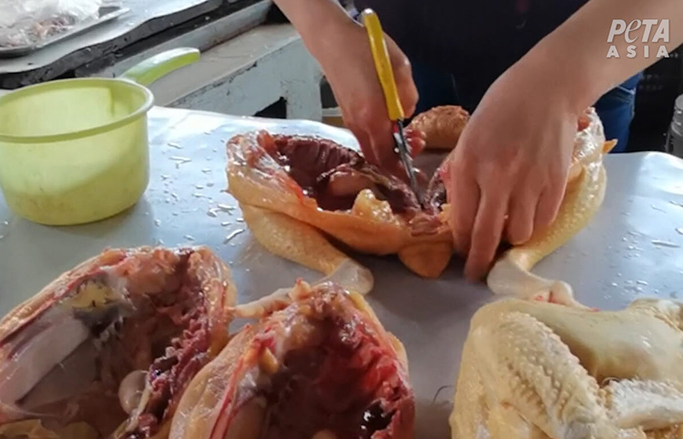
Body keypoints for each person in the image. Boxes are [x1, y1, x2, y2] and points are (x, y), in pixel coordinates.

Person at [271, 0, 683, 280]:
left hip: (602, 41)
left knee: (578, 266)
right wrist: (322, 25)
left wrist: (563, 82)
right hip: (404, 48)